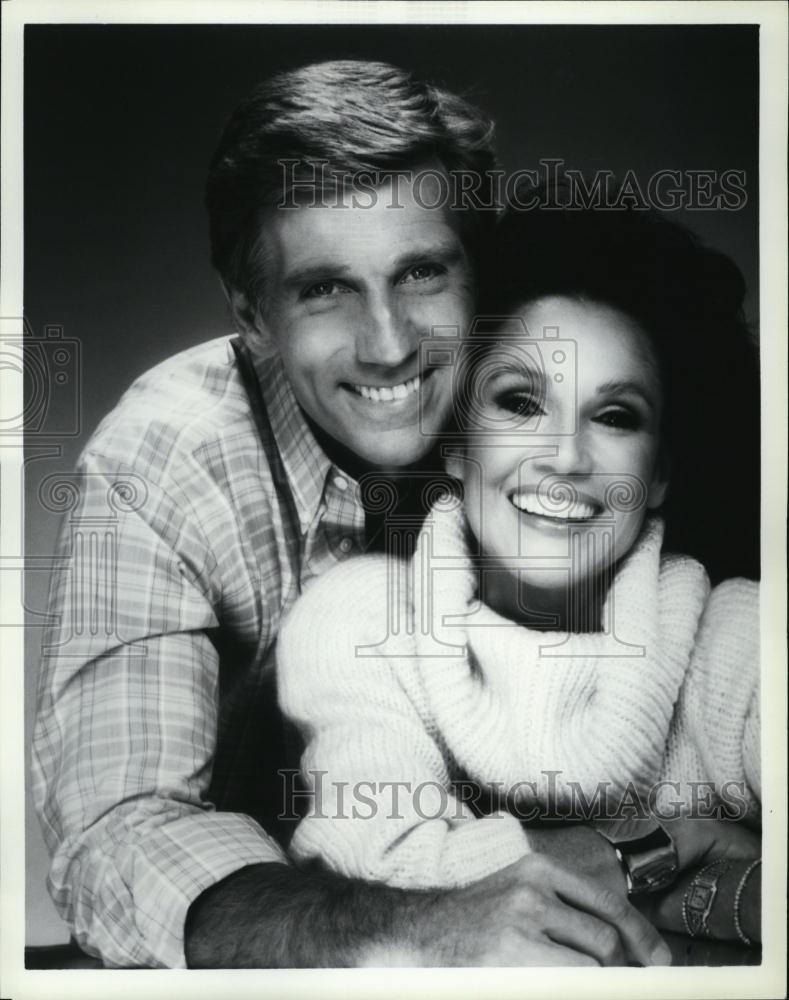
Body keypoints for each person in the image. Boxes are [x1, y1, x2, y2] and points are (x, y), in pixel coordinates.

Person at [31, 62, 673, 969]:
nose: (388, 346)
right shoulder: (163, 462)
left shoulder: (544, 415)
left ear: (472, 275)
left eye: (419, 272)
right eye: (324, 289)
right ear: (252, 312)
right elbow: (116, 835)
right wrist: (408, 923)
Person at [278, 191, 762, 948]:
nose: (565, 457)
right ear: (456, 445)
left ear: (659, 472)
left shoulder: (738, 634)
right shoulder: (363, 618)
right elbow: (373, 875)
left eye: (613, 417)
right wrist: (661, 852)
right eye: (520, 403)